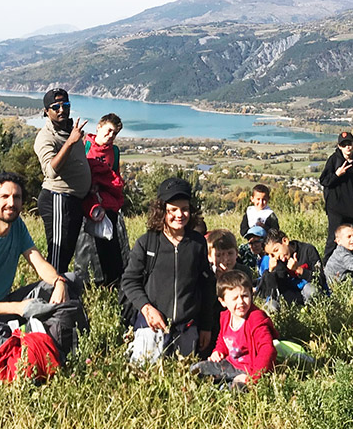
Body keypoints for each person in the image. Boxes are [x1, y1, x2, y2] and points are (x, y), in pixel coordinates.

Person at [0, 172, 83, 358]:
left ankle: (71, 344)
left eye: (17, 197)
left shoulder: (17, 227)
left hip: (3, 306)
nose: (11, 203)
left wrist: (59, 283)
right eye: (4, 196)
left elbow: (39, 263)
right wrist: (19, 307)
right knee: (13, 349)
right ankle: (38, 342)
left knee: (70, 280)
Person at [121, 177, 218, 363]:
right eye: (173, 210)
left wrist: (206, 326)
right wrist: (146, 308)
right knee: (145, 376)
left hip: (187, 328)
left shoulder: (197, 244)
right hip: (152, 326)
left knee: (186, 376)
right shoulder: (147, 243)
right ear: (161, 211)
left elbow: (207, 287)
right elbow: (129, 280)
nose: (180, 214)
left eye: (185, 209)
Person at [35, 88, 92, 274]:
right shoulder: (46, 137)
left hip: (74, 200)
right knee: (58, 256)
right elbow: (51, 170)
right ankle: (51, 295)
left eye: (65, 105)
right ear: (46, 111)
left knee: (67, 253)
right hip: (58, 199)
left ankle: (62, 294)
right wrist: (70, 142)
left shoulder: (70, 129)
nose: (61, 110)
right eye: (56, 106)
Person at [190, 270, 277, 387]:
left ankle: (228, 386)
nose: (241, 302)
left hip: (250, 368)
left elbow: (267, 350)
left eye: (245, 296)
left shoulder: (256, 319)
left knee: (237, 389)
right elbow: (224, 339)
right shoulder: (225, 317)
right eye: (235, 298)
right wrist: (218, 351)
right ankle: (222, 383)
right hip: (230, 364)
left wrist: (253, 378)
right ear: (223, 302)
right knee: (196, 369)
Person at [73, 112, 128, 287]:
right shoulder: (85, 145)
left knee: (109, 242)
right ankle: (90, 281)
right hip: (85, 201)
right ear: (99, 127)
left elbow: (114, 176)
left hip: (107, 203)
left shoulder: (115, 152)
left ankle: (112, 280)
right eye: (109, 130)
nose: (111, 135)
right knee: (88, 245)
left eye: (115, 133)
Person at [319, 131, 353, 261]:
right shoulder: (334, 160)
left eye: (349, 144)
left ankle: (347, 264)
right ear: (339, 146)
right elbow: (324, 180)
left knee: (349, 240)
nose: (347, 147)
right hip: (336, 209)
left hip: (352, 209)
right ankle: (326, 267)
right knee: (333, 240)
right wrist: (337, 175)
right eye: (344, 144)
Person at [257, 228, 324, 307]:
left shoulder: (307, 250)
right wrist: (271, 271)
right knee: (271, 305)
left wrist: (298, 269)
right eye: (272, 255)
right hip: (291, 298)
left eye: (276, 250)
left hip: (308, 294)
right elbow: (270, 292)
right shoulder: (277, 261)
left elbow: (320, 279)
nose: (276, 256)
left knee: (310, 290)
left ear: (285, 241)